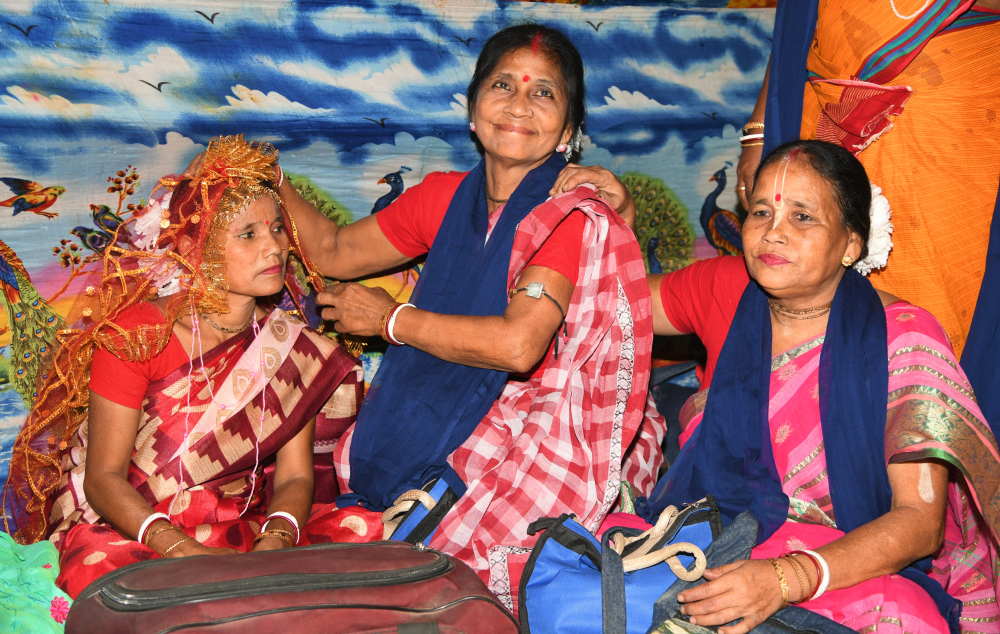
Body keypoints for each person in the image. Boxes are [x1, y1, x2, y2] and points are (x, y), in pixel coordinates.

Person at [203, 24, 664, 606]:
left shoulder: (568, 213)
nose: (519, 104)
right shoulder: (446, 197)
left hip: (531, 430)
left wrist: (391, 321)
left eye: (543, 92)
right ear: (473, 110)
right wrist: (263, 173)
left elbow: (519, 346)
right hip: (424, 416)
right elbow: (335, 252)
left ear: (569, 130)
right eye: (502, 85)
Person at [1, 135, 382, 599]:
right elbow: (103, 480)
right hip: (139, 530)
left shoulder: (286, 348)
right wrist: (181, 550)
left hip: (245, 525)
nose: (275, 248)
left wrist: (276, 540)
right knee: (108, 582)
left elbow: (297, 477)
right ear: (196, 244)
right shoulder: (137, 335)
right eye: (249, 234)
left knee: (356, 543)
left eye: (278, 229)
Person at [648, 140, 1000, 633]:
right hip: (718, 540)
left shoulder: (903, 337)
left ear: (852, 244)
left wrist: (784, 579)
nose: (773, 233)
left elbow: (920, 523)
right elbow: (607, 301)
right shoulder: (727, 289)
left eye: (802, 217)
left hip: (849, 562)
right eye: (762, 212)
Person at [735, 0, 1000, 361]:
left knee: (933, 317)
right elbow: (796, 27)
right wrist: (758, 128)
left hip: (946, 122)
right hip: (824, 105)